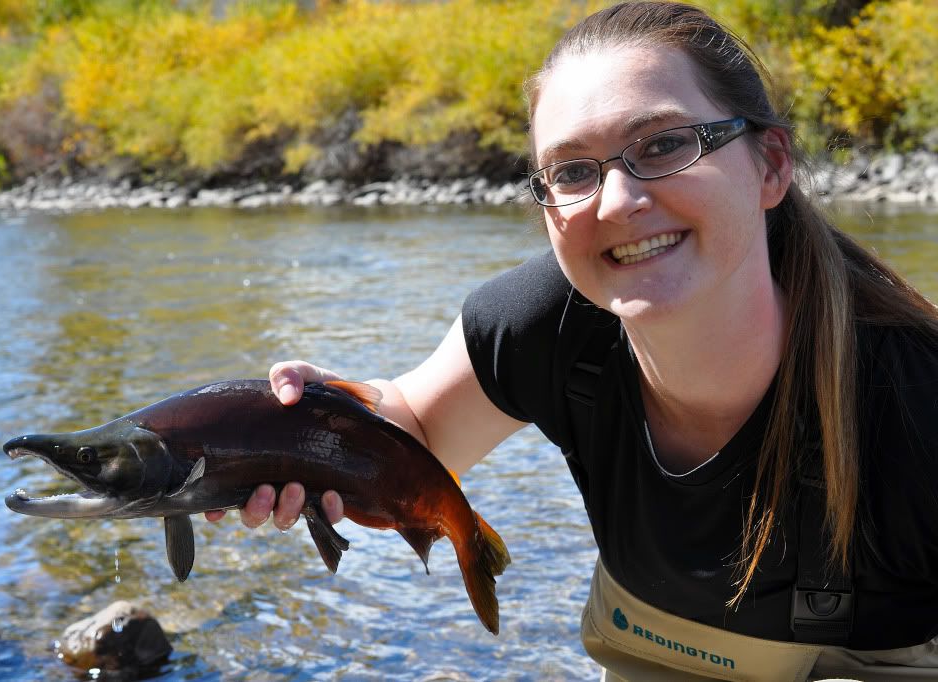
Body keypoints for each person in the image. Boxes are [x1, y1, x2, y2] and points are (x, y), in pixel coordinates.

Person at [205, 2, 938, 679]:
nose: (617, 201)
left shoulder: (916, 400)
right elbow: (418, 433)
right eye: (572, 171)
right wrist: (297, 427)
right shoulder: (544, 323)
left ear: (770, 164)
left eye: (663, 144)